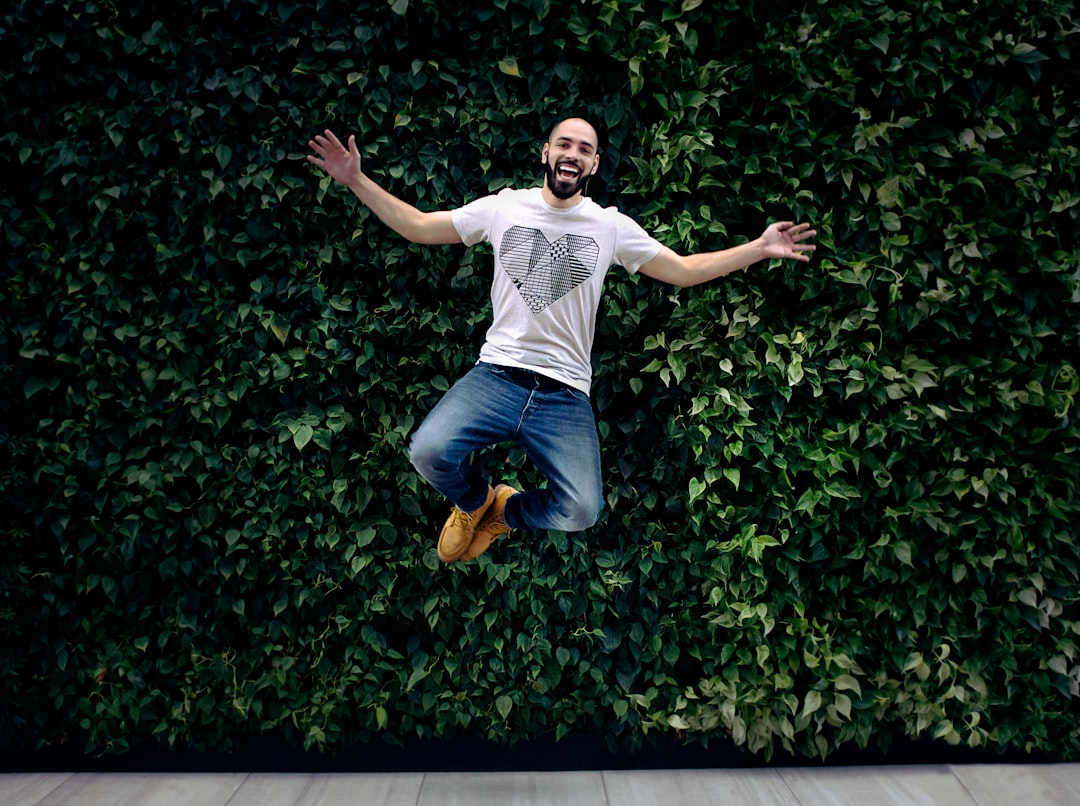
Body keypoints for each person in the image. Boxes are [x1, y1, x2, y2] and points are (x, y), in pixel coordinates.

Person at [307, 117, 816, 564]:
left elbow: (682, 270)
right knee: (427, 451)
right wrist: (355, 179)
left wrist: (759, 247)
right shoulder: (503, 209)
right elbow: (419, 226)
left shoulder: (610, 226)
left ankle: (505, 510)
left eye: (585, 149)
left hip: (564, 394)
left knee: (581, 510)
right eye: (564, 144)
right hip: (497, 377)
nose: (573, 153)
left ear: (592, 166)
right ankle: (472, 500)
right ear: (546, 154)